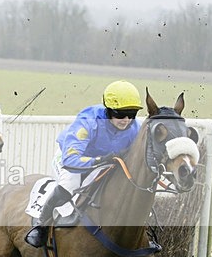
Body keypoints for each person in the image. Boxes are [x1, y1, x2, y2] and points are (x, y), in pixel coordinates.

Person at [25, 80, 144, 247]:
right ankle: (41, 225)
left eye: (132, 114)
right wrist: (100, 160)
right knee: (70, 184)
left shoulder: (135, 128)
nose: (126, 120)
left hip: (104, 163)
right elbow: (71, 159)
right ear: (108, 110)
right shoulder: (88, 121)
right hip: (70, 158)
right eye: (120, 114)